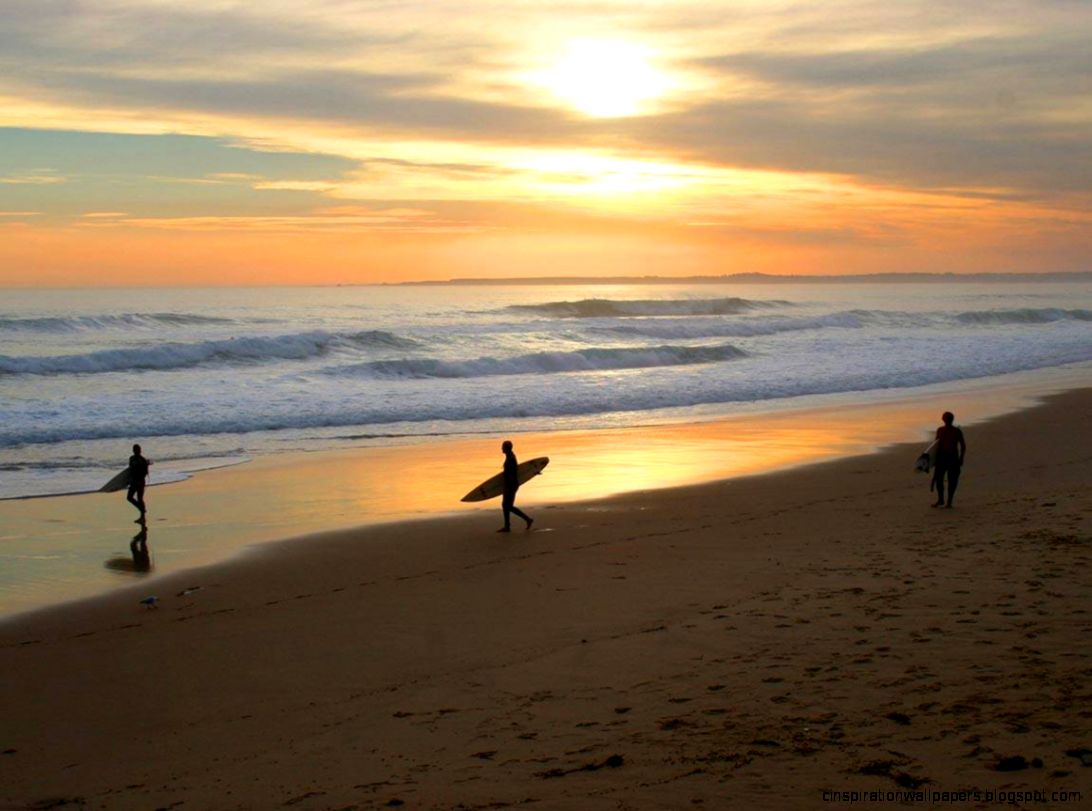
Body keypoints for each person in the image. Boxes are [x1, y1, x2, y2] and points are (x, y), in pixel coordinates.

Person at [931, 412, 966, 508]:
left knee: (952, 480)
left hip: (953, 458)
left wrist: (961, 458)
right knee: (939, 480)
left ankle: (949, 501)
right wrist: (934, 460)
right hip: (942, 458)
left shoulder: (956, 431)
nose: (946, 420)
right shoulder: (940, 430)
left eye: (947, 418)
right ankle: (941, 500)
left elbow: (963, 445)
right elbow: (936, 446)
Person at [498, 440, 533, 532]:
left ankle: (527, 519)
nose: (501, 448)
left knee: (508, 506)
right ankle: (507, 526)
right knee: (505, 505)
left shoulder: (511, 459)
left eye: (503, 447)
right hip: (510, 485)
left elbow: (512, 474)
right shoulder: (510, 456)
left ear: (506, 448)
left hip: (511, 485)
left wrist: (508, 487)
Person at [127, 443, 152, 523]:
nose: (137, 451)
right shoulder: (131, 458)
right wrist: (129, 481)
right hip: (133, 482)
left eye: (138, 450)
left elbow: (145, 472)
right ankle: (142, 510)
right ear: (133, 451)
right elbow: (130, 471)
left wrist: (139, 480)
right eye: (135, 450)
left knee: (139, 499)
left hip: (140, 482)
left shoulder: (142, 460)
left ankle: (142, 517)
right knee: (129, 497)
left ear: (140, 450)